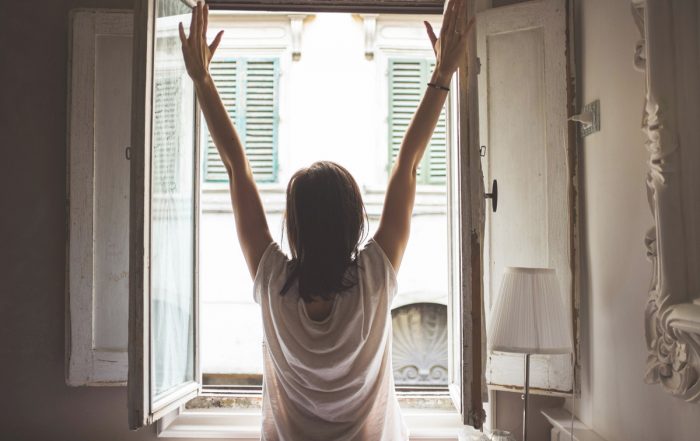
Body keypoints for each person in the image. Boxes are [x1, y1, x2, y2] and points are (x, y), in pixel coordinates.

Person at [179, 1, 472, 439]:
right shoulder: (375, 276)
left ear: (294, 226)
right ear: (356, 223)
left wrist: (202, 80)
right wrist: (442, 74)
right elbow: (407, 166)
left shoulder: (273, 282)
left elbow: (237, 166)